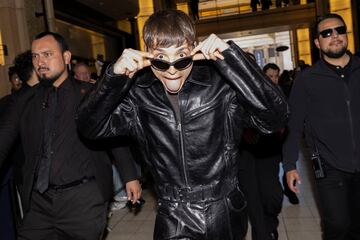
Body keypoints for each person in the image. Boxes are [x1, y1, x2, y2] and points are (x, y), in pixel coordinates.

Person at [77, 10, 289, 239]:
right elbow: (89, 127)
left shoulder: (221, 83)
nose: (171, 69)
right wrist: (114, 76)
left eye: (181, 56)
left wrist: (232, 59)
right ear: (147, 54)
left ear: (194, 48)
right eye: (160, 57)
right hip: (173, 212)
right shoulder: (139, 94)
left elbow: (275, 118)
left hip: (224, 209)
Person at [0, 32, 141, 239]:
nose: (40, 61)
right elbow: (3, 138)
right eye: (35, 56)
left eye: (47, 54)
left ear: (66, 57)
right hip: (39, 202)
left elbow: (112, 136)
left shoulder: (90, 93)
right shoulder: (24, 100)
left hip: (83, 198)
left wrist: (130, 176)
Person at [283, 13, 360, 240]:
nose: (334, 36)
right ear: (317, 43)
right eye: (327, 33)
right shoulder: (307, 79)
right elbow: (294, 125)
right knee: (337, 225)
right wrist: (289, 166)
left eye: (339, 30)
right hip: (329, 165)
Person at [238, 63, 285, 240]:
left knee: (272, 195)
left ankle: (270, 223)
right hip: (246, 154)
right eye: (270, 76)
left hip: (269, 152)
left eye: (275, 76)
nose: (273, 79)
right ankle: (264, 235)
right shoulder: (240, 92)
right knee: (253, 200)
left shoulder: (277, 95)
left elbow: (284, 121)